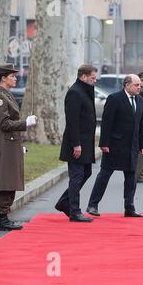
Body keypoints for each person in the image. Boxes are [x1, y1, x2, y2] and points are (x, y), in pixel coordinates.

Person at [0, 64, 37, 231]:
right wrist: (25, 123)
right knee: (4, 181)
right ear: (3, 78)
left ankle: (5, 216)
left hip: (10, 142)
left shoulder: (7, 95)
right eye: (12, 76)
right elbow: (4, 123)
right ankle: (2, 219)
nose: (16, 78)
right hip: (4, 142)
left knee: (10, 180)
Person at [86, 74, 143, 217]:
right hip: (115, 145)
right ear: (127, 85)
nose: (140, 87)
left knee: (131, 177)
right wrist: (104, 143)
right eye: (136, 85)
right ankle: (92, 205)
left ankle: (129, 207)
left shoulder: (140, 100)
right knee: (105, 175)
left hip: (132, 145)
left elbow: (142, 125)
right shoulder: (114, 99)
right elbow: (107, 123)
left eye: (140, 85)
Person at [55, 64, 98, 222]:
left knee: (86, 173)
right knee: (77, 176)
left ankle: (64, 202)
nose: (95, 80)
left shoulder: (85, 90)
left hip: (85, 142)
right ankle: (74, 211)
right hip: (77, 143)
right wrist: (76, 144)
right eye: (93, 78)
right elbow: (72, 121)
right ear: (83, 76)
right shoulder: (75, 92)